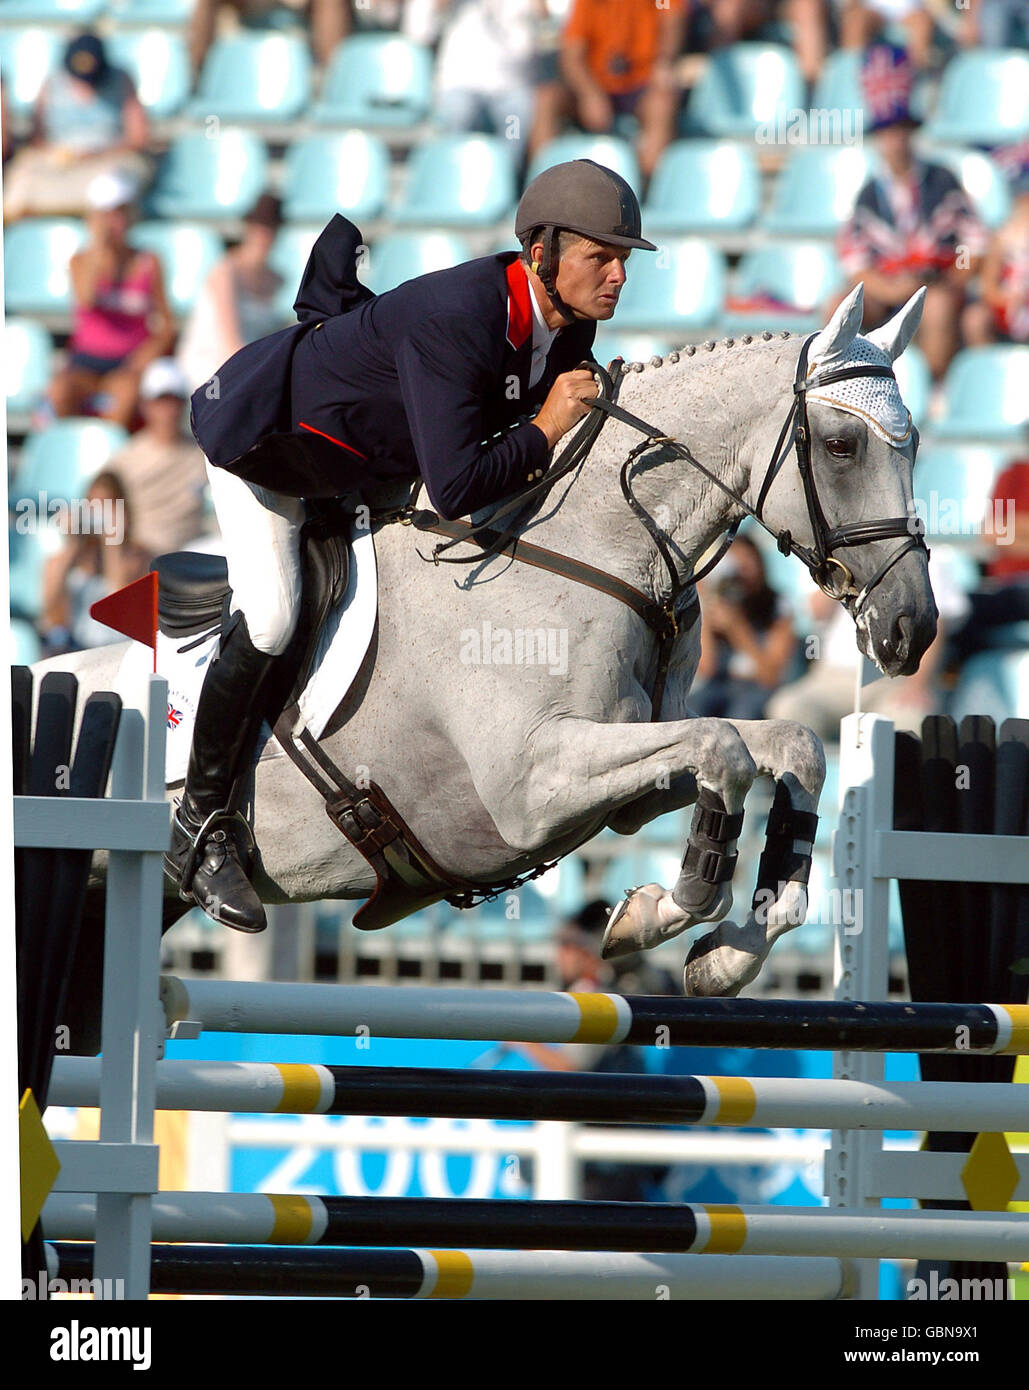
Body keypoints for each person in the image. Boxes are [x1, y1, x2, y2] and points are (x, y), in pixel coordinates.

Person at [167, 159, 657, 934]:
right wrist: (544, 428)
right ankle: (199, 826)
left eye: (623, 257)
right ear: (540, 254)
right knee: (272, 615)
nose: (617, 274)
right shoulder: (458, 315)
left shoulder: (569, 326)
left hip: (366, 465)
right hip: (271, 449)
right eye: (601, 255)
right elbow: (461, 485)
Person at [835, 43, 985, 380]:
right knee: (837, 307)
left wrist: (952, 278)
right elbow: (856, 264)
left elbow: (973, 245)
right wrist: (895, 289)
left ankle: (933, 390)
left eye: (901, 131)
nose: (895, 141)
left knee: (939, 307)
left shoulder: (941, 181)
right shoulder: (869, 195)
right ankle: (838, 390)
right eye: (888, 133)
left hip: (936, 284)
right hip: (888, 288)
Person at [48, 171, 176, 429]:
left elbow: (166, 325)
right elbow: (86, 299)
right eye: (107, 214)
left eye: (120, 213)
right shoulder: (81, 261)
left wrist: (143, 358)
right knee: (59, 393)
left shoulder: (149, 262)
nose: (114, 222)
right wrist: (100, 248)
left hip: (128, 362)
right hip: (86, 362)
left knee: (126, 398)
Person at [3, 32, 151, 222]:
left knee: (115, 185)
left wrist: (95, 153)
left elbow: (138, 137)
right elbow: (37, 138)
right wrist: (61, 154)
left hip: (107, 159)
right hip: (60, 161)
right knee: (22, 175)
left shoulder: (121, 81)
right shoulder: (52, 83)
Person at [559, 0, 687, 181]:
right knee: (547, 100)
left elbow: (672, 18)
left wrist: (664, 62)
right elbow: (572, 55)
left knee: (663, 103)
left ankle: (644, 185)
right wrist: (590, 94)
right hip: (597, 83)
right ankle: (539, 185)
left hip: (644, 83)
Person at [178, 192, 288, 392]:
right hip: (212, 368)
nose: (264, 235)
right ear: (248, 228)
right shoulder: (225, 273)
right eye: (259, 227)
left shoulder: (277, 279)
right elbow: (230, 341)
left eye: (270, 228)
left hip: (247, 365)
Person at [106, 359, 213, 558]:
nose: (168, 410)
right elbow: (101, 498)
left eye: (174, 401)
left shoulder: (205, 456)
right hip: (139, 554)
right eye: (161, 401)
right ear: (145, 405)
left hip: (191, 553)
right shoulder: (126, 459)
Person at [39, 471, 152, 655]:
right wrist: (74, 543)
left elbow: (121, 609)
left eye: (107, 506)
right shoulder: (69, 559)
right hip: (73, 648)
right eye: (94, 505)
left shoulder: (138, 557)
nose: (99, 514)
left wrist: (112, 544)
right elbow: (51, 612)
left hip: (117, 649)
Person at [692, 535, 797, 720]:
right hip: (719, 684)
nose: (742, 574)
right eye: (736, 566)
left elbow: (771, 676)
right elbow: (707, 668)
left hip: (756, 687)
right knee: (691, 710)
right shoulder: (718, 602)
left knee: (740, 717)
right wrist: (704, 611)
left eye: (748, 564)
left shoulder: (777, 606)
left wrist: (737, 629)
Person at [962, 162, 1029, 349]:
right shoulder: (1002, 239)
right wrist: (1008, 298)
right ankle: (986, 372)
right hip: (1008, 305)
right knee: (975, 319)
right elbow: (988, 286)